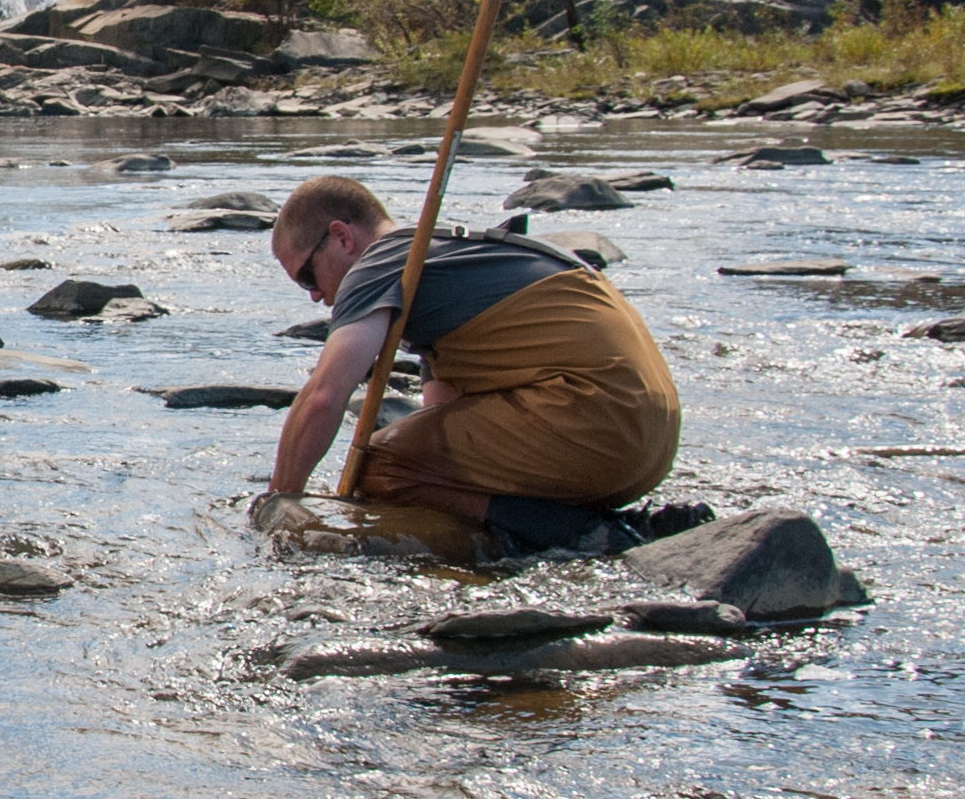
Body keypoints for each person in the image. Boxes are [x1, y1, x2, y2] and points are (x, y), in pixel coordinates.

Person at [262, 173, 680, 549]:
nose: (315, 296)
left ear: (341, 238)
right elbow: (444, 426)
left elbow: (323, 396)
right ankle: (602, 524)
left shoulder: (379, 265)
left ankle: (585, 536)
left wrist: (276, 506)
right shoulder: (451, 261)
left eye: (307, 276)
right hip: (651, 444)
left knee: (379, 465)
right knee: (417, 467)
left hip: (600, 424)